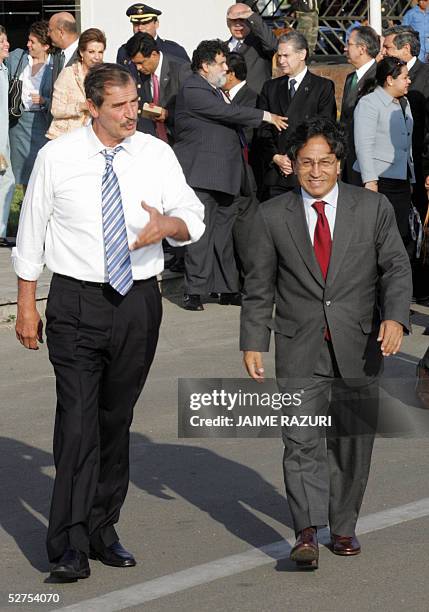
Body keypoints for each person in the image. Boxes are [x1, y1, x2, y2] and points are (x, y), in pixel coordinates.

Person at [12, 62, 204, 580]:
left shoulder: (156, 154)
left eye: (135, 103)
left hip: (138, 302)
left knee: (115, 420)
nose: (130, 114)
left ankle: (102, 529)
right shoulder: (58, 156)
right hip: (76, 302)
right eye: (119, 106)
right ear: (91, 107)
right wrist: (27, 302)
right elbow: (32, 230)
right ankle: (68, 543)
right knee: (77, 424)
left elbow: (193, 215)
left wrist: (171, 224)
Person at [240, 117, 412, 570]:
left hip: (359, 345)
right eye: (306, 163)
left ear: (340, 165)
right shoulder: (271, 216)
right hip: (300, 346)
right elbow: (260, 285)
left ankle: (342, 525)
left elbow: (395, 267)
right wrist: (253, 340)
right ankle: (306, 531)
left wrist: (395, 317)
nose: (315, 171)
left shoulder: (371, 210)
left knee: (351, 442)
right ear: (293, 165)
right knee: (300, 441)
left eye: (325, 162)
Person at [174, 39, 287, 312]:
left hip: (226, 175)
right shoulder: (193, 88)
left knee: (223, 236)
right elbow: (226, 113)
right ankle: (195, 291)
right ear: (204, 65)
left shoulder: (212, 89)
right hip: (203, 175)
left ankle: (225, 288)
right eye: (221, 63)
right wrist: (265, 116)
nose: (226, 68)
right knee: (200, 235)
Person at [257, 31, 336, 200]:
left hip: (308, 172)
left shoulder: (322, 87)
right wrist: (276, 157)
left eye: (286, 55)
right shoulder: (270, 87)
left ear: (302, 54)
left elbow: (325, 128)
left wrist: (297, 157)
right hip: (276, 174)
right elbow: (262, 128)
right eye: (279, 56)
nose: (281, 61)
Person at [354, 57, 414, 248]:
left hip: (401, 181)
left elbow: (407, 143)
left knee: (401, 235)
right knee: (378, 236)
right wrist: (370, 181)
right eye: (405, 77)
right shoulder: (369, 103)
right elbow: (363, 144)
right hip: (379, 180)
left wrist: (410, 178)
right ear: (390, 80)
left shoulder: (404, 102)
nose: (409, 81)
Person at [8, 21, 52, 190]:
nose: (28, 44)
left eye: (33, 42)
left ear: (46, 46)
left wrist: (44, 100)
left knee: (41, 171)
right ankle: (26, 209)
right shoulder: (17, 57)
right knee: (23, 173)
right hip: (18, 124)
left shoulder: (54, 64)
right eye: (28, 40)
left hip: (42, 123)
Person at [125, 32, 189, 144]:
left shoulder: (181, 70)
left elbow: (193, 109)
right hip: (155, 140)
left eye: (141, 63)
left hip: (179, 141)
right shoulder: (142, 75)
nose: (138, 68)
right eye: (135, 64)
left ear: (154, 55)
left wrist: (168, 114)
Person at [47, 28, 105, 139]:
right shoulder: (68, 74)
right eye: (91, 52)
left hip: (96, 138)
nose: (97, 57)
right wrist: (82, 106)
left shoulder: (107, 76)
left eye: (100, 52)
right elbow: (56, 110)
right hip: (66, 138)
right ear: (81, 52)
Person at [340, 25, 379, 186]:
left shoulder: (378, 77)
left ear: (362, 48)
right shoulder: (350, 78)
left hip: (368, 160)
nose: (345, 48)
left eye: (349, 44)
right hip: (348, 157)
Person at [117, 2, 189, 76]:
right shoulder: (124, 52)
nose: (140, 28)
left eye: (145, 23)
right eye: (136, 24)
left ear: (156, 24)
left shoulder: (174, 50)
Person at [225, 2, 277, 94]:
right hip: (229, 103)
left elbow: (272, 45)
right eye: (234, 20)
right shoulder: (222, 48)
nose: (238, 24)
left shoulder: (259, 44)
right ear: (228, 22)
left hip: (256, 101)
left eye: (242, 20)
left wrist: (252, 16)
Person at [0, 25, 15, 247]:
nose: (7, 45)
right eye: (1, 41)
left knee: (7, 181)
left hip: (5, 139)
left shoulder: (3, 68)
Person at [47, 12, 79, 86]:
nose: (48, 34)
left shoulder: (85, 54)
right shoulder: (57, 55)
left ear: (61, 32)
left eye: (50, 30)